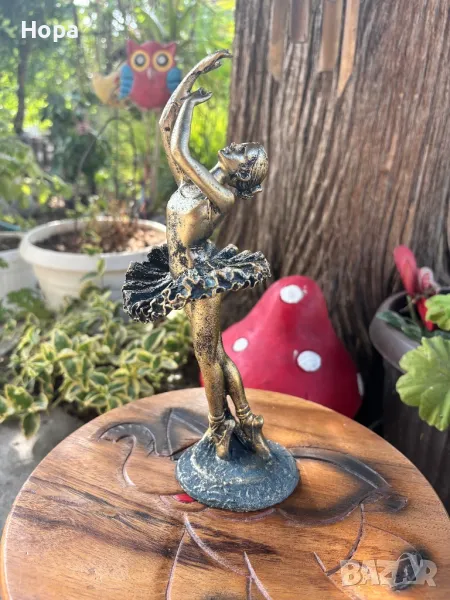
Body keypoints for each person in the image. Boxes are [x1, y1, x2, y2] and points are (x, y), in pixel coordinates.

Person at [123, 51, 271, 460]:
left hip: (200, 277)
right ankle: (245, 419)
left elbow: (180, 149)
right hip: (180, 271)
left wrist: (189, 103)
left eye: (244, 152)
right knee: (215, 353)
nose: (235, 146)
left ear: (242, 173)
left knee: (207, 356)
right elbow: (165, 127)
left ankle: (220, 425)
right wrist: (193, 75)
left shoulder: (220, 195)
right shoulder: (192, 186)